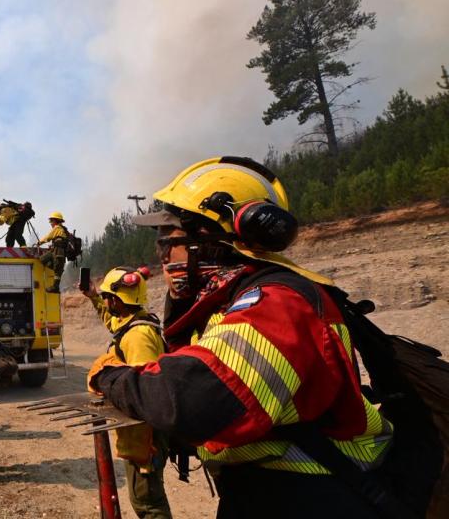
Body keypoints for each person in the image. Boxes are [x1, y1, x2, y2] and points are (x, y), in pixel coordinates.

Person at [87, 156, 393, 518]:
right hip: (267, 488)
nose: (161, 254)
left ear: (208, 239)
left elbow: (191, 399)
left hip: (313, 493)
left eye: (168, 240)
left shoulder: (278, 302)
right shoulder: (233, 302)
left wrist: (108, 376)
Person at [82, 267, 172, 518]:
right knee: (144, 499)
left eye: (109, 296)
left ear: (118, 299)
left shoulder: (138, 337)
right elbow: (114, 324)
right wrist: (93, 298)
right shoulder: (134, 322)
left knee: (147, 503)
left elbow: (143, 391)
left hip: (144, 438)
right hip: (141, 435)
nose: (107, 301)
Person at [37, 211, 69, 293]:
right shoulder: (63, 230)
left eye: (51, 221)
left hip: (58, 252)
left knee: (57, 271)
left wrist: (39, 242)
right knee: (43, 260)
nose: (50, 223)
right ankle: (57, 272)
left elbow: (48, 237)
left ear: (55, 221)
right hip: (56, 251)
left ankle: (55, 287)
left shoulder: (57, 228)